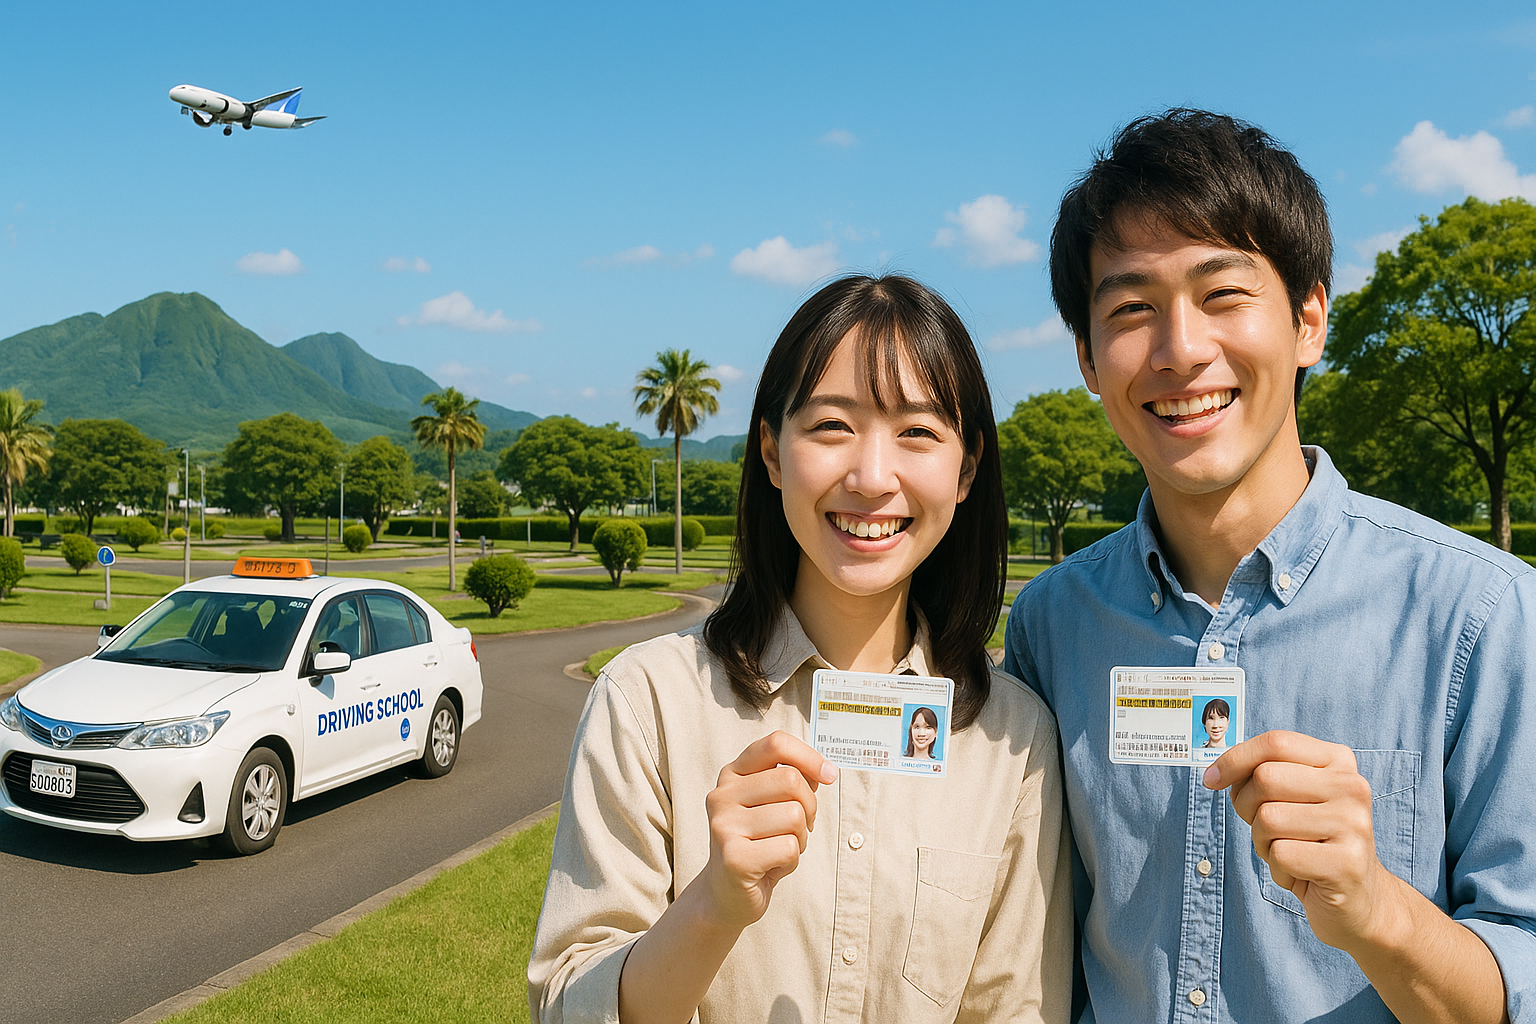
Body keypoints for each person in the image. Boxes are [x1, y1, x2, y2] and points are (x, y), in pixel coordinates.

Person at [1004, 108, 1535, 1023]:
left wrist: (1375, 907)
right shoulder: (1052, 627)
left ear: (1309, 323)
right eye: (1131, 310)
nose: (1180, 351)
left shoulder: (1483, 614)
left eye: (1222, 295)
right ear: (1089, 361)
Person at [531, 275, 1071, 1023]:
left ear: (968, 467)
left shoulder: (1014, 742)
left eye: (917, 432)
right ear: (772, 451)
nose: (872, 477)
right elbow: (565, 1006)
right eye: (830, 426)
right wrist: (714, 906)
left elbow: (1014, 1010)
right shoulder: (647, 702)